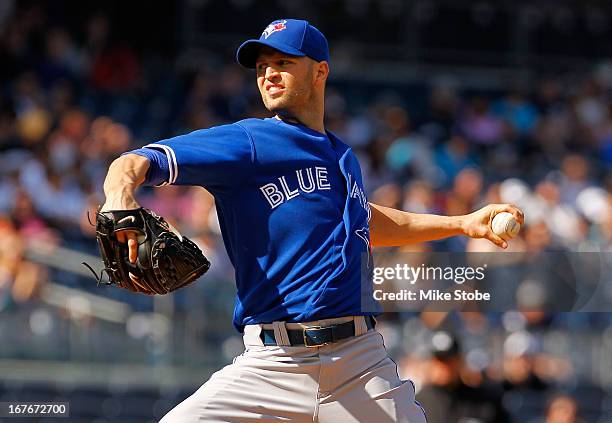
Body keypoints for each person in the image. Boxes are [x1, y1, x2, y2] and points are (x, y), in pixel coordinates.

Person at [101, 19, 523, 423]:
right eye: (262, 66)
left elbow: (364, 221)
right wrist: (119, 196)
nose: (268, 74)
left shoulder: (342, 156)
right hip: (271, 366)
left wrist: (463, 224)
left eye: (283, 63)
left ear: (320, 71)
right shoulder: (248, 141)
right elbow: (135, 161)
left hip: (359, 363)